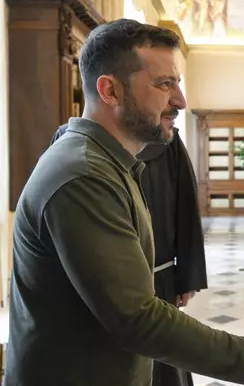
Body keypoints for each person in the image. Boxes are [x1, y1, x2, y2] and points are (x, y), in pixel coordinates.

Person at [5, 18, 244, 386]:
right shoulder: (83, 175)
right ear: (110, 91)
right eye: (164, 84)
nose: (180, 100)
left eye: (177, 82)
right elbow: (137, 317)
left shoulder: (109, 163)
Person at [50, 123, 207, 386]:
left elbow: (185, 206)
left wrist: (187, 277)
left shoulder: (168, 142)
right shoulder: (70, 143)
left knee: (163, 356)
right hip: (98, 277)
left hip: (160, 275)